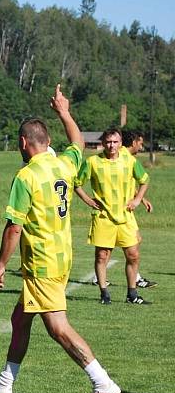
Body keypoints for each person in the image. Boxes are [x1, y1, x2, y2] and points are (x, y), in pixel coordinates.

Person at [0, 84, 121, 393]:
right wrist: (64, 112)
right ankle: (5, 383)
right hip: (61, 256)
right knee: (20, 319)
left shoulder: (27, 176)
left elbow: (14, 227)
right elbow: (77, 142)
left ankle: (104, 383)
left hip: (42, 261)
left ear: (23, 143)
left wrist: (0, 264)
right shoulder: (64, 164)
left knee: (57, 327)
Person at [74, 128, 152, 305]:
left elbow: (144, 180)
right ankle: (104, 293)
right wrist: (88, 200)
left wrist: (138, 199)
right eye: (108, 142)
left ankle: (132, 294)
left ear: (120, 142)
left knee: (133, 255)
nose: (112, 145)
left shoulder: (129, 160)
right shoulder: (93, 162)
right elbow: (76, 183)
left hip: (126, 217)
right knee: (102, 255)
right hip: (103, 217)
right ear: (103, 143)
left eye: (115, 142)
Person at [121, 130, 156, 288]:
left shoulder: (128, 158)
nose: (141, 146)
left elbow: (126, 183)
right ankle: (136, 279)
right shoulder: (124, 158)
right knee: (127, 245)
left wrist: (141, 199)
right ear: (133, 142)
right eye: (140, 143)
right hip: (120, 210)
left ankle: (136, 277)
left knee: (133, 242)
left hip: (127, 210)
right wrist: (137, 199)